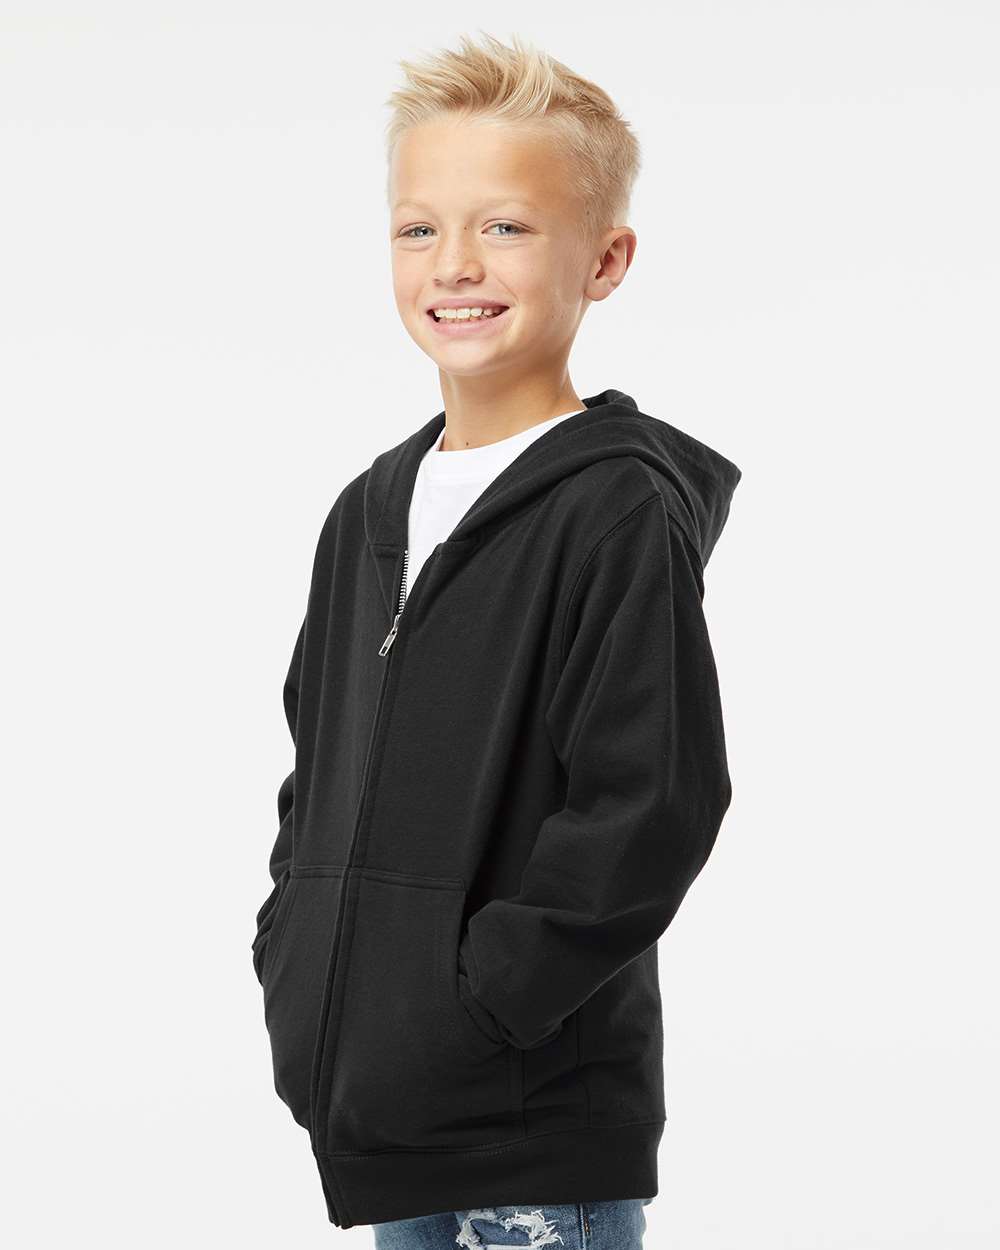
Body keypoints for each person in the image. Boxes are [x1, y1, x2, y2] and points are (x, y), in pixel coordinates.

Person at [250, 30, 742, 1248]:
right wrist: (294, 953)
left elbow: (650, 802)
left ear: (604, 258)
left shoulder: (613, 506)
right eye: (419, 227)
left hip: (532, 1129)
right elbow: (316, 769)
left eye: (506, 226)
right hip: (388, 1115)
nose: (455, 263)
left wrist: (477, 1008)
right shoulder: (368, 509)